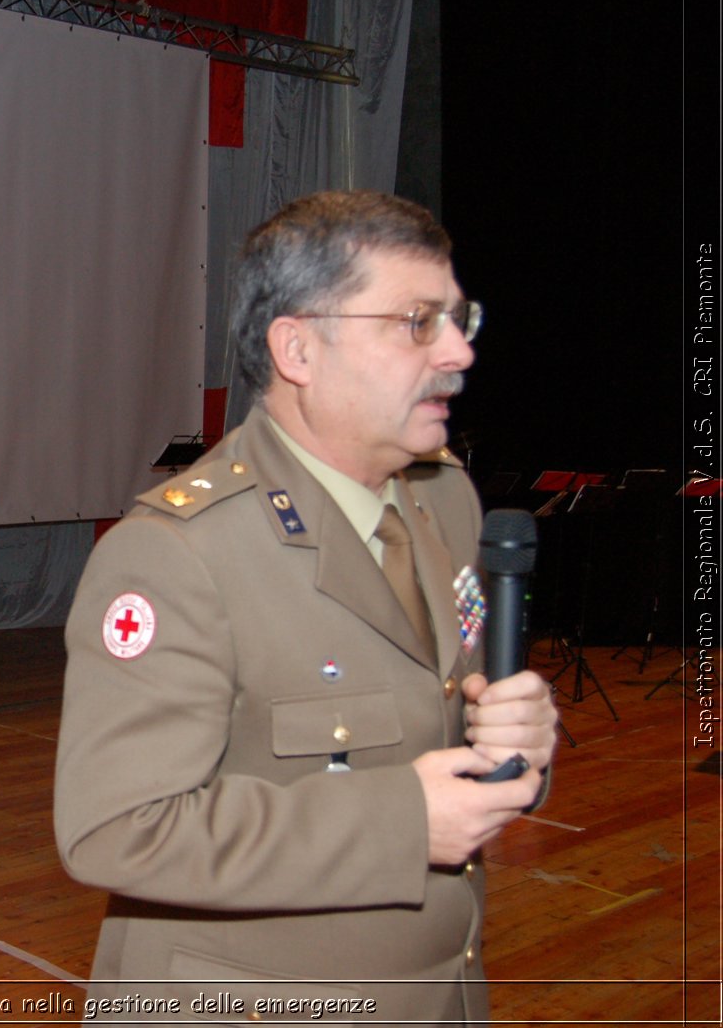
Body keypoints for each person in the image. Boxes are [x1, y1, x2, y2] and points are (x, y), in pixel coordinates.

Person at [53, 191, 557, 1025]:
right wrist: (403, 823)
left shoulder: (448, 502)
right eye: (418, 321)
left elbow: (435, 727)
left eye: (460, 317)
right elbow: (116, 829)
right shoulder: (178, 553)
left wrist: (513, 749)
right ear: (298, 348)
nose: (461, 352)